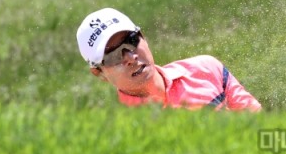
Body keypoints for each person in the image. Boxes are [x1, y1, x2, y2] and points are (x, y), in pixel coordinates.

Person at [76, 7, 261, 112]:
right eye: (113, 56)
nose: (130, 57)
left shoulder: (207, 70)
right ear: (99, 73)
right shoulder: (121, 127)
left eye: (131, 41)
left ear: (143, 36)